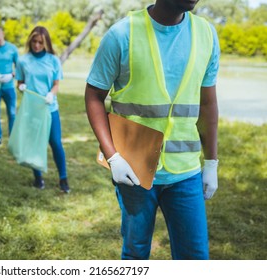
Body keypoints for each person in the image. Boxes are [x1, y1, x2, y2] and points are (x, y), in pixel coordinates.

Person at [85, 0, 220, 259]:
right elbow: (94, 95)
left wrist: (211, 162)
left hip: (186, 172)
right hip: (133, 170)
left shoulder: (206, 34)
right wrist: (113, 157)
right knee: (136, 254)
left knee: (195, 258)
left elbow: (208, 103)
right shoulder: (122, 34)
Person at [15, 26, 70, 194]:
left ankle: (63, 178)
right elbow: (19, 83)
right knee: (34, 144)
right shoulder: (23, 61)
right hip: (31, 110)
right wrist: (21, 86)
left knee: (55, 142)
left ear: (46, 43)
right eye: (34, 41)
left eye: (40, 42)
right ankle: (37, 177)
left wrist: (50, 95)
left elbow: (56, 85)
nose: (37, 45)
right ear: (30, 41)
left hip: (49, 108)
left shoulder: (53, 60)